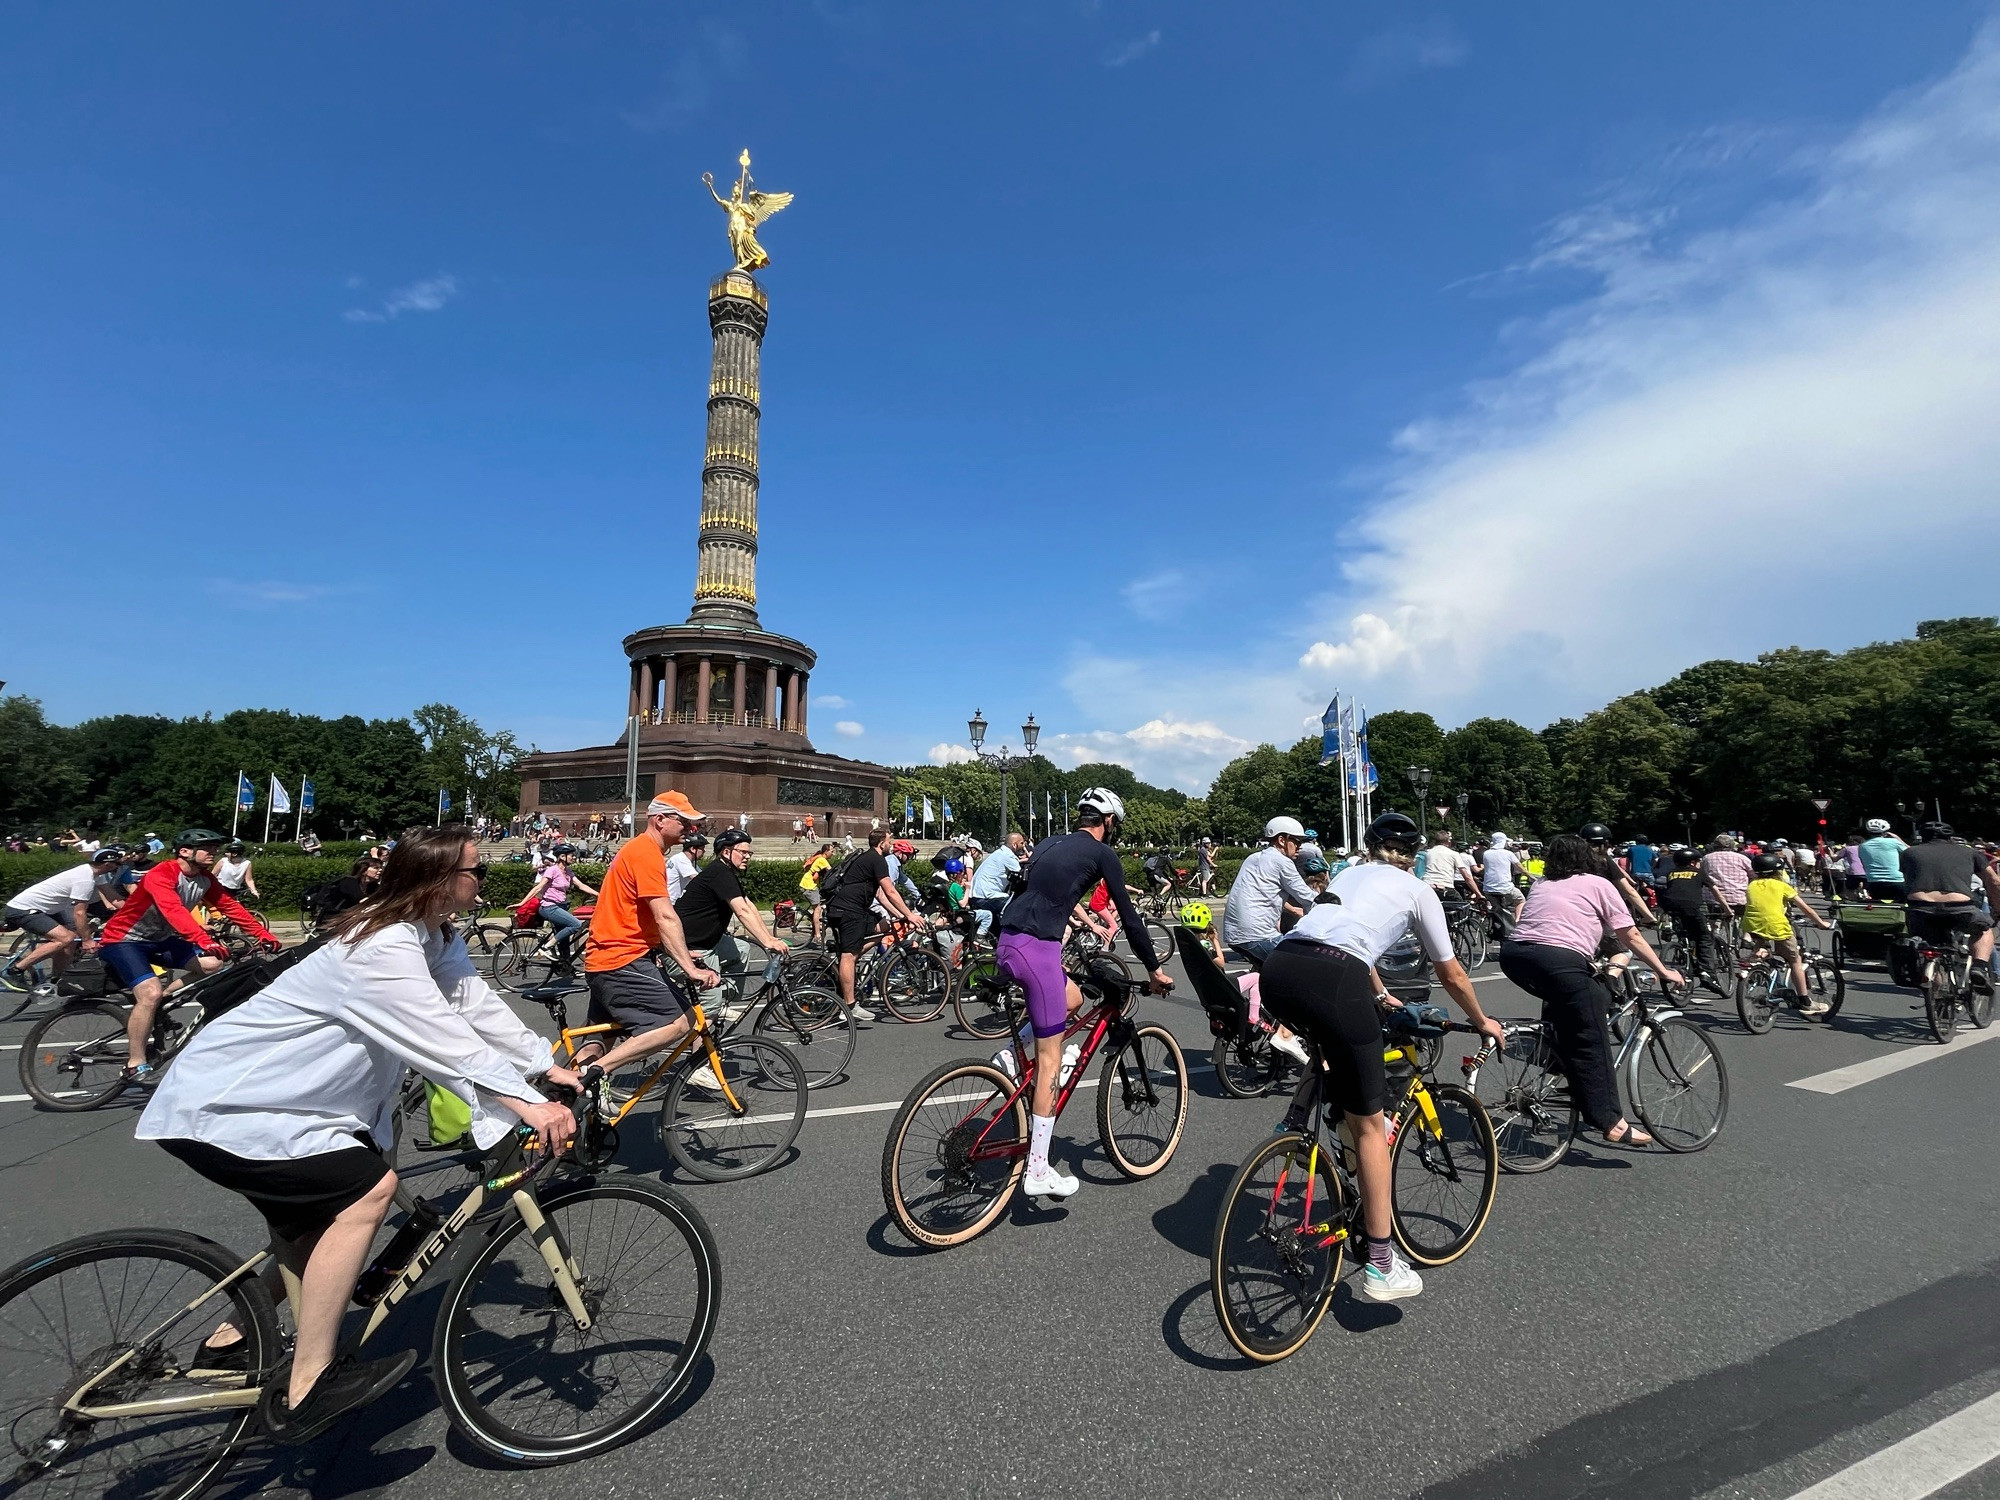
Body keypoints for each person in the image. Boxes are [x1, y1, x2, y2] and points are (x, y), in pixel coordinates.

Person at [136, 824, 581, 1443]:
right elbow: (440, 1039)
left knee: (314, 1225)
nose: (484, 880)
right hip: (233, 1106)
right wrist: (528, 1102)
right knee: (368, 1194)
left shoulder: (432, 934)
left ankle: (232, 1339)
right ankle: (309, 1387)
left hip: (291, 1108)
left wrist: (542, 1061)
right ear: (439, 880)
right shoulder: (382, 947)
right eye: (475, 870)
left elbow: (471, 1003)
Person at [1259, 812, 1505, 1302]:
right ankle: (1380, 1264)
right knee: (1372, 1129)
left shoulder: (1350, 875)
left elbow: (1352, 944)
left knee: (1327, 1036)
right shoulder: (1418, 890)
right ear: (1413, 855)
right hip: (1335, 978)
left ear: (1372, 848)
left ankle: (1293, 1124)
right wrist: (1482, 1021)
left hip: (1282, 968)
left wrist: (1381, 995)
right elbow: (1452, 972)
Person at [993, 788, 1171, 1199]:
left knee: (1073, 998)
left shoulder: (1051, 842)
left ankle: (1009, 1053)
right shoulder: (1102, 852)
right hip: (1039, 948)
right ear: (1108, 821)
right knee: (1050, 1060)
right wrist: (1155, 969)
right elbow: (1128, 916)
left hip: (1008, 943)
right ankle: (1037, 1170)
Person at [1499, 834, 1683, 1147]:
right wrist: (1662, 969)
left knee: (1571, 1003)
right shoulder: (1598, 883)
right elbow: (1630, 934)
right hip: (1559, 959)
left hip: (1514, 955)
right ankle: (1610, 1121)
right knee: (1592, 1038)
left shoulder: (1542, 883)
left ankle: (1558, 1058)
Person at [101, 830, 282, 1081]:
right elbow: (172, 909)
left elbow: (230, 906)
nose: (214, 852)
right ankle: (135, 1061)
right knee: (148, 993)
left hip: (159, 940)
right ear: (185, 851)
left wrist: (262, 934)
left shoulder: (205, 879)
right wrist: (202, 938)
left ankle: (162, 1000)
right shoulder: (161, 874)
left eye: (215, 848)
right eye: (207, 848)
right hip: (124, 940)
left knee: (212, 964)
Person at [576, 793, 721, 1078]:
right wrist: (689, 968)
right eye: (684, 821)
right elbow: (665, 916)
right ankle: (594, 1076)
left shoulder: (639, 850)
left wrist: (675, 952)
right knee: (680, 1023)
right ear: (660, 820)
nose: (690, 829)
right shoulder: (645, 854)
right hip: (622, 960)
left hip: (607, 959)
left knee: (601, 1036)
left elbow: (639, 920)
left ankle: (572, 1091)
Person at [820, 827, 925, 1022]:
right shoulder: (877, 859)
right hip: (848, 911)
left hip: (851, 909)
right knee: (849, 956)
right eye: (889, 841)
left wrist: (898, 916)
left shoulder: (869, 858)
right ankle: (849, 1006)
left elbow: (881, 895)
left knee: (883, 926)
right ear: (881, 843)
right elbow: (891, 891)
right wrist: (910, 915)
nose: (891, 844)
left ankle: (850, 964)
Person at [675, 828, 788, 988]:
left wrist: (769, 937)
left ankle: (725, 998)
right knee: (711, 1002)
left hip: (711, 941)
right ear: (727, 852)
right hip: (695, 945)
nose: (747, 857)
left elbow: (748, 905)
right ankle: (713, 1007)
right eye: (743, 852)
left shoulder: (726, 872)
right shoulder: (719, 873)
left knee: (742, 950)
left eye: (749, 853)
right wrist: (766, 942)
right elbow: (741, 911)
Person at [1, 847, 125, 989]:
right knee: (66, 938)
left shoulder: (96, 874)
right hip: (23, 909)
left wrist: (140, 912)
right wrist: (87, 940)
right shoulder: (85, 879)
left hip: (48, 909)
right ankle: (15, 971)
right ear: (107, 864)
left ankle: (56, 979)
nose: (118, 868)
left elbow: (115, 899)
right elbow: (79, 913)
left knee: (71, 940)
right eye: (117, 864)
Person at [1901, 823, 1999, 984]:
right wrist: (1997, 908)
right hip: (1959, 907)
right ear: (1950, 837)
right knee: (1983, 930)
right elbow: (1994, 881)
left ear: (1922, 837)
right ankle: (1979, 967)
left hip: (1920, 908)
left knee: (1930, 945)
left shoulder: (1909, 853)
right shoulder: (1970, 852)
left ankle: (1936, 988)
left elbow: (1908, 879)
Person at [1742, 851, 1834, 1014]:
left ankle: (1758, 960)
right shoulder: (1782, 886)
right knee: (1795, 960)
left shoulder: (1752, 885)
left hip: (1751, 925)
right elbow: (1806, 909)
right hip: (1777, 925)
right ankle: (1805, 1001)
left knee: (1764, 943)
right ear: (1778, 871)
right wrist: (1821, 923)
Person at [1221, 817, 1316, 968]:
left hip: (1234, 934)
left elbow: (1263, 892)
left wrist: (1292, 909)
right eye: (1297, 841)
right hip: (1259, 935)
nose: (1300, 846)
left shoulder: (1252, 858)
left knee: (1265, 974)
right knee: (1301, 967)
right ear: (1281, 840)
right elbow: (1308, 897)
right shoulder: (1282, 862)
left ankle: (1246, 985)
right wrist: (1331, 908)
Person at [520, 844, 599, 970]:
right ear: (562, 856)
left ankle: (565, 966)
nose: (574, 857)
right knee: (576, 925)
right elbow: (538, 888)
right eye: (571, 855)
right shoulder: (552, 870)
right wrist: (521, 903)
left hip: (560, 908)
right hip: (549, 907)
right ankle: (547, 946)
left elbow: (581, 885)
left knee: (564, 941)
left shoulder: (568, 872)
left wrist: (599, 895)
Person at [1657, 847, 1722, 998]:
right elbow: (1715, 891)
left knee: (1683, 932)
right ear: (1693, 862)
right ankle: (1707, 973)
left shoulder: (1671, 873)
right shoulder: (1699, 873)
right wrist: (1727, 909)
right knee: (1704, 938)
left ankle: (1681, 952)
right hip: (1692, 908)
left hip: (1670, 907)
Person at [967, 831, 1027, 936]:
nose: (1023, 846)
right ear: (1014, 845)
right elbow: (1022, 875)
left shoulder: (1001, 853)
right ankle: (1010, 938)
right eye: (1022, 843)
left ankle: (997, 937)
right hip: (986, 897)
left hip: (977, 896)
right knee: (1017, 905)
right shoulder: (1008, 856)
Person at [1699, 835, 1754, 919]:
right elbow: (1753, 875)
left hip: (1713, 899)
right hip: (1739, 897)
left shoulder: (1706, 858)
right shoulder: (1742, 858)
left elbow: (1701, 874)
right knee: (1743, 923)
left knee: (1714, 921)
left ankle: (1715, 929)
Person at [1480, 833, 1525, 934]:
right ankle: (1517, 922)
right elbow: (1520, 867)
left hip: (1489, 888)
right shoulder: (1508, 854)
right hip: (1505, 887)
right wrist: (1531, 876)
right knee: (1521, 900)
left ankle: (1496, 925)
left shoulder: (1486, 853)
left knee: (1497, 907)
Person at [1859, 819, 1911, 901]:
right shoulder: (1893, 842)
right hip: (1896, 879)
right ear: (1886, 832)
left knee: (1881, 908)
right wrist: (1898, 838)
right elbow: (1912, 852)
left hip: (1873, 881)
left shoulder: (1862, 846)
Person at [799, 843, 835, 943]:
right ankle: (817, 934)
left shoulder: (820, 859)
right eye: (832, 851)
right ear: (826, 852)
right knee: (817, 908)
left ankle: (816, 923)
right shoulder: (822, 860)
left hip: (810, 885)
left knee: (822, 903)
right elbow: (832, 872)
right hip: (809, 886)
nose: (833, 854)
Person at [215, 840, 261, 906]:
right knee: (215, 906)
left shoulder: (246, 863)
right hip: (220, 887)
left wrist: (254, 891)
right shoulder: (223, 861)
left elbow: (249, 880)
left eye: (228, 852)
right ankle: (208, 916)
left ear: (234, 854)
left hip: (234, 889)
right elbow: (213, 874)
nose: (226, 854)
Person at [667, 832, 706, 904]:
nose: (704, 851)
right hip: (671, 902)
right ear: (693, 849)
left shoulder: (689, 861)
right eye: (702, 849)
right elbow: (697, 879)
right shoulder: (681, 859)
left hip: (675, 901)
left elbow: (702, 875)